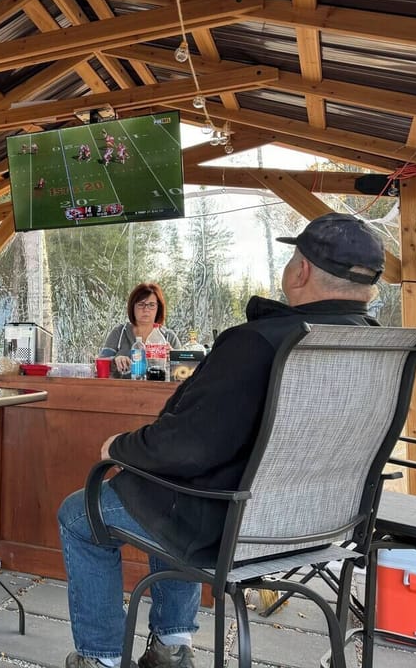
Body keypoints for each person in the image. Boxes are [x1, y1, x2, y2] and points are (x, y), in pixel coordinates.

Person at [60, 212, 385, 668]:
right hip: (323, 527)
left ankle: (101, 659)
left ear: (302, 270)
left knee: (81, 512)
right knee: (164, 500)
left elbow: (186, 447)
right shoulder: (379, 347)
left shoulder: (259, 342)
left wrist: (118, 446)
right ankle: (171, 646)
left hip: (234, 524)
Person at [102, 283, 181, 376]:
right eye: (141, 304)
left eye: (151, 305)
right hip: (123, 389)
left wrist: (174, 359)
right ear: (132, 307)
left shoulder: (169, 337)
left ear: (158, 308)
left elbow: (184, 374)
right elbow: (100, 364)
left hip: (159, 390)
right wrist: (115, 361)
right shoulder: (119, 333)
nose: (146, 309)